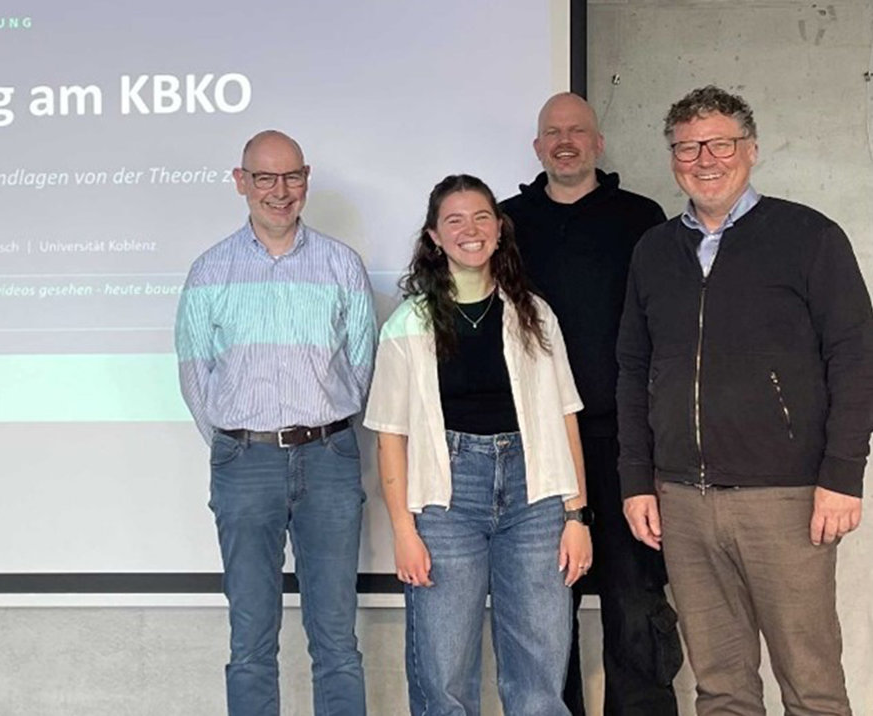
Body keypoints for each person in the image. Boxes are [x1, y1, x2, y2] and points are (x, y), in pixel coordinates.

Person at [617, 85, 873, 715]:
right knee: (721, 688)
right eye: (687, 147)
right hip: (683, 501)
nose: (704, 159)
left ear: (751, 150)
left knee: (811, 685)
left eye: (721, 144)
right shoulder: (653, 251)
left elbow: (855, 357)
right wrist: (636, 480)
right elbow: (634, 368)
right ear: (673, 158)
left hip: (786, 500)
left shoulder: (809, 236)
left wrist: (843, 475)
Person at [364, 174, 592, 715]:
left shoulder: (535, 316)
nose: (471, 230)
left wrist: (576, 517)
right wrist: (404, 532)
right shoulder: (407, 325)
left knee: (540, 676)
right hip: (446, 501)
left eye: (481, 217)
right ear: (434, 236)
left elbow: (565, 417)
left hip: (535, 496)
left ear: (499, 228)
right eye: (455, 220)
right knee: (443, 675)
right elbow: (390, 437)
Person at [174, 129, 375, 716]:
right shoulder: (210, 270)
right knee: (251, 642)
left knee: (337, 640)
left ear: (306, 179)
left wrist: (323, 430)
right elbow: (195, 376)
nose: (279, 191)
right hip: (246, 463)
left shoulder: (341, 264)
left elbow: (362, 365)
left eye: (291, 176)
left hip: (329, 459)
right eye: (265, 177)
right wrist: (240, 444)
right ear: (242, 182)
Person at [500, 92, 680, 715]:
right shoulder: (507, 223)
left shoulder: (642, 218)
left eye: (576, 130)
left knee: (635, 600)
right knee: (546, 608)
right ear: (537, 146)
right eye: (552, 132)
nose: (565, 141)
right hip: (535, 444)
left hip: (626, 440)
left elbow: (667, 324)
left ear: (598, 143)